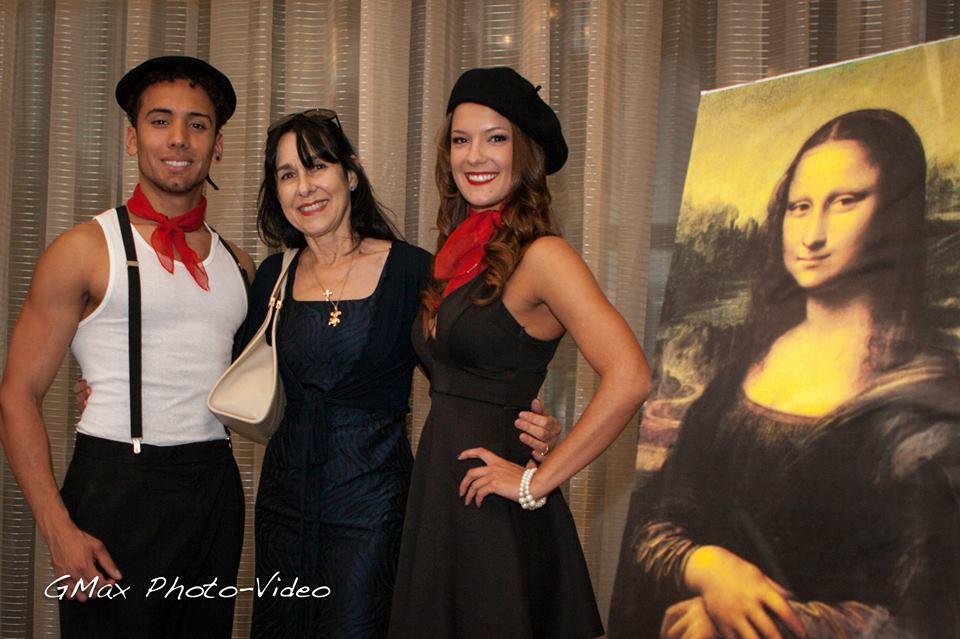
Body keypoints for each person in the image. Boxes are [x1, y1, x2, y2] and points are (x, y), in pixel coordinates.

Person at [626, 109, 960, 639]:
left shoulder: (927, 402)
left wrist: (754, 621)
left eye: (845, 201)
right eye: (800, 207)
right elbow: (656, 514)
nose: (814, 233)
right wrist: (707, 567)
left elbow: (927, 613)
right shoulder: (742, 368)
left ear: (894, 212)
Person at [243, 108, 562, 638]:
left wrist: (531, 421)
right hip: (283, 510)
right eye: (287, 174)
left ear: (350, 173)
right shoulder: (273, 277)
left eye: (317, 166)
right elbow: (236, 374)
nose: (305, 187)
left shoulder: (413, 271)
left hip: (374, 515)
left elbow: (467, 374)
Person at [387, 67, 651, 639]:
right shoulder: (458, 255)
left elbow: (630, 375)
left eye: (496, 138)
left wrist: (538, 480)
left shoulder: (544, 256)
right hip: (442, 493)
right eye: (461, 140)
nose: (475, 155)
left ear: (524, 153)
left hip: (496, 506)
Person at [0, 56, 254, 638]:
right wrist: (58, 529)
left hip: (214, 491)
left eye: (197, 124)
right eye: (160, 121)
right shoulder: (83, 250)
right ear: (133, 137)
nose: (178, 138)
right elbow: (17, 394)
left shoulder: (240, 265)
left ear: (217, 145)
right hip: (116, 489)